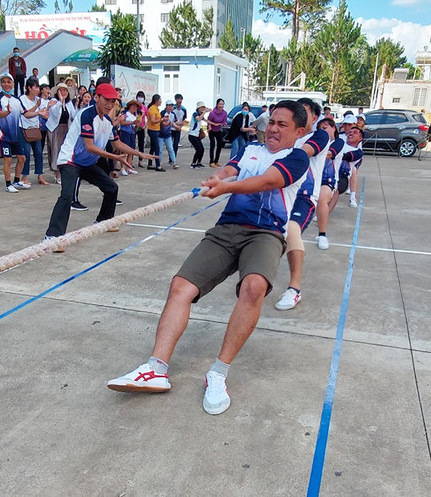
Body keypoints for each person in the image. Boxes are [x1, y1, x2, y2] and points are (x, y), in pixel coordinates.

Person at [107, 100, 310, 416]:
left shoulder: (296, 157)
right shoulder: (249, 150)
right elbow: (230, 169)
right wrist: (218, 178)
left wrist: (225, 188)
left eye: (282, 125)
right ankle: (155, 368)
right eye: (271, 122)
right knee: (180, 287)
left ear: (299, 131)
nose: (272, 128)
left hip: (266, 233)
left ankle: (218, 372)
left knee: (254, 287)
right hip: (227, 227)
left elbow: (270, 181)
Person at [44, 83, 154, 240]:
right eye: (106, 100)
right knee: (66, 196)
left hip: (87, 163)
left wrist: (138, 153)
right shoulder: (87, 115)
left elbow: (117, 143)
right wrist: (115, 157)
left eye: (113, 101)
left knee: (111, 188)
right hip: (70, 161)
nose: (110, 105)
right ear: (96, 98)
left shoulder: (107, 122)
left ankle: (103, 221)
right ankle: (52, 236)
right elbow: (89, 146)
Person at [275, 98, 330, 311]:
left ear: (314, 118)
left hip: (304, 197)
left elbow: (301, 153)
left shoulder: (319, 135)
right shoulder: (287, 135)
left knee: (291, 230)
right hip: (280, 194)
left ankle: (294, 289)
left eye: (303, 111)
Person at [0, 74, 27, 193]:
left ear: (13, 84)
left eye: (9, 82)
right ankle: (8, 184)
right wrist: (7, 111)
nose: (6, 84)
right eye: (4, 82)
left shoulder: (16, 100)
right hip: (3, 136)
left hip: (16, 135)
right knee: (8, 159)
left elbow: (26, 113)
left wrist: (39, 111)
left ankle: (17, 181)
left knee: (22, 158)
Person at [314, 117, 343, 250]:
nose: (322, 131)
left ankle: (322, 235)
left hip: (328, 180)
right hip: (312, 178)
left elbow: (329, 154)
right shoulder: (315, 142)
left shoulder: (338, 142)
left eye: (325, 128)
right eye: (320, 129)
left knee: (321, 198)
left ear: (334, 128)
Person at [45, 83, 76, 184]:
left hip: (66, 129)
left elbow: (73, 116)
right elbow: (55, 113)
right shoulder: (53, 102)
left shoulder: (69, 103)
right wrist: (60, 101)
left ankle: (63, 172)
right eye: (61, 90)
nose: (63, 93)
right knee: (55, 151)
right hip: (55, 129)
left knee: (64, 151)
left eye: (65, 91)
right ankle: (57, 173)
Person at [19, 79, 47, 186]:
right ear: (29, 88)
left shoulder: (38, 100)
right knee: (26, 152)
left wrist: (44, 112)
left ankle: (40, 175)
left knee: (39, 153)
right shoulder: (22, 99)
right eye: (35, 87)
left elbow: (43, 114)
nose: (37, 90)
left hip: (35, 129)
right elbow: (26, 114)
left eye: (38, 87)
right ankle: (24, 176)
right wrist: (37, 109)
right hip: (24, 129)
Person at [118, 100, 142, 175]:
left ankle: (129, 167)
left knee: (131, 151)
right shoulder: (125, 113)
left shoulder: (134, 116)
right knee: (124, 151)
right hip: (125, 132)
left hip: (132, 133)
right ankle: (122, 168)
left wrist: (137, 126)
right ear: (130, 106)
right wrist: (132, 122)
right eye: (134, 106)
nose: (135, 108)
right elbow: (121, 122)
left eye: (136, 107)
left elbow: (134, 129)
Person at [207, 98, 228, 167]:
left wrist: (223, 124)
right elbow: (208, 121)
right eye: (220, 104)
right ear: (217, 105)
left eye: (222, 104)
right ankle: (211, 161)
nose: (221, 106)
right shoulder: (212, 113)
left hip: (218, 130)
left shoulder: (224, 113)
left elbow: (225, 122)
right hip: (212, 130)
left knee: (220, 145)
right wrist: (210, 126)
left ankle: (216, 160)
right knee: (212, 145)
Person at [146, 94, 165, 171]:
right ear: (156, 100)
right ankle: (158, 165)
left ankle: (150, 164)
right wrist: (161, 120)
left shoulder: (156, 109)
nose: (161, 101)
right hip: (153, 130)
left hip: (156, 130)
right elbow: (153, 121)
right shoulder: (152, 109)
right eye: (160, 100)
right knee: (157, 148)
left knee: (153, 148)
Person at [188, 101, 208, 168]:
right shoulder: (195, 114)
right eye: (201, 107)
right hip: (192, 135)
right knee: (198, 149)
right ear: (198, 108)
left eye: (203, 107)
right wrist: (205, 112)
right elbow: (198, 119)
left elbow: (206, 121)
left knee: (202, 149)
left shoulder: (200, 115)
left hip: (196, 135)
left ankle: (199, 162)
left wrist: (216, 123)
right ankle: (193, 163)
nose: (202, 109)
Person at [160, 100, 179, 169]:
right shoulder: (163, 113)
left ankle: (174, 162)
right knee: (160, 150)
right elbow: (163, 124)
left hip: (168, 134)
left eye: (172, 106)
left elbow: (175, 122)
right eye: (169, 106)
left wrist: (179, 126)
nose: (171, 107)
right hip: (161, 134)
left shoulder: (173, 114)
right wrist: (170, 124)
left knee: (171, 148)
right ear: (166, 106)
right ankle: (159, 163)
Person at [134, 90, 147, 165]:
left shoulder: (144, 107)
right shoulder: (134, 106)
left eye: (142, 97)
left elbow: (146, 117)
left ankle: (140, 161)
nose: (140, 98)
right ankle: (130, 159)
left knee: (141, 144)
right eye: (139, 96)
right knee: (132, 144)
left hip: (141, 127)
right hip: (135, 126)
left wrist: (145, 125)